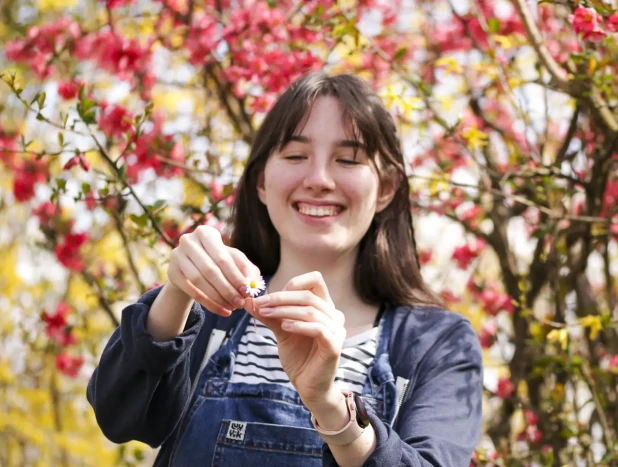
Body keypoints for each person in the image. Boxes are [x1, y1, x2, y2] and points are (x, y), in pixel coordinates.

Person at [87, 71, 483, 467]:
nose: (319, 180)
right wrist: (177, 293)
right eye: (295, 156)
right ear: (260, 180)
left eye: (347, 160)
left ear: (387, 188)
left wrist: (329, 406)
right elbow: (120, 417)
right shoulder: (207, 318)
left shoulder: (434, 345)